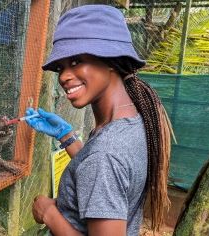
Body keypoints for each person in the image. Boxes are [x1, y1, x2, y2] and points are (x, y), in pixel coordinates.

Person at [25, 5, 173, 236]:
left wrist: (49, 214)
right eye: (60, 67)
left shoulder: (105, 155)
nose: (63, 76)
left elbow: (103, 163)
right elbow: (102, 173)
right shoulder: (134, 121)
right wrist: (67, 136)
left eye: (75, 62)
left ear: (110, 59)